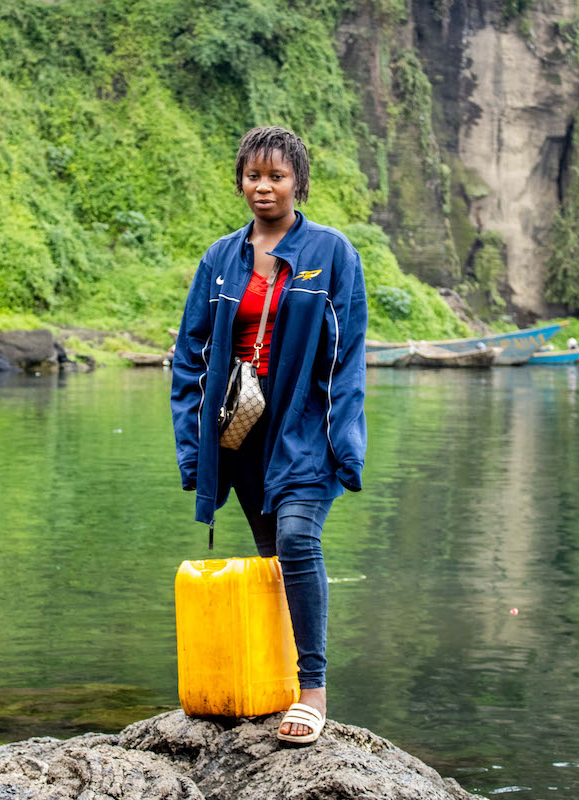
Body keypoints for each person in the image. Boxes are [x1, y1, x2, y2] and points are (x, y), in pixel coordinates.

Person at [170, 126, 367, 744]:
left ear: (297, 183)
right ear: (240, 181)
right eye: (253, 175)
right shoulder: (219, 258)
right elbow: (191, 356)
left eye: (276, 176)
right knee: (274, 557)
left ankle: (313, 692)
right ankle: (277, 681)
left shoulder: (332, 252)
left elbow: (348, 356)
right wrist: (194, 451)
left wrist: (344, 444)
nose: (264, 186)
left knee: (297, 538)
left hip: (306, 426)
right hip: (243, 430)